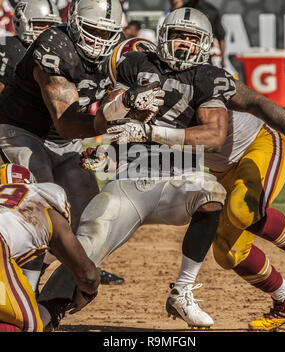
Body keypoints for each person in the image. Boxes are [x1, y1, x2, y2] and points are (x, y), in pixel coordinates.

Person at [37, 10, 234, 330]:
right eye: (177, 36)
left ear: (205, 44)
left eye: (191, 38)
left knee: (211, 194)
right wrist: (127, 100)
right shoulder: (137, 63)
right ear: (162, 37)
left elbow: (214, 136)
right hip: (132, 178)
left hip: (180, 178)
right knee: (87, 244)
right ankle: (48, 308)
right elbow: (109, 113)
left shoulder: (209, 76)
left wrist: (153, 134)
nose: (183, 44)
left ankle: (182, 291)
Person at [0, 0, 125, 290]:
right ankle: (26, 286)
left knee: (92, 214)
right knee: (43, 207)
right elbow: (66, 122)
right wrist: (113, 119)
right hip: (21, 130)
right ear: (75, 23)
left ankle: (58, 289)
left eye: (108, 34)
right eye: (93, 30)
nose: (100, 41)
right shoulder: (54, 46)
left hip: (65, 141)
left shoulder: (117, 56)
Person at [0, 163, 100, 332]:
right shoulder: (42, 202)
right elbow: (88, 276)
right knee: (29, 325)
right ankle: (51, 308)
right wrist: (88, 292)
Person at [0, 0, 62, 94]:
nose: (47, 33)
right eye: (40, 25)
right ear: (20, 23)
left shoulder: (61, 53)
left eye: (52, 26)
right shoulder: (10, 49)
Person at [185, 0, 226, 68]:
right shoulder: (185, 8)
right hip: (186, 49)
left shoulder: (212, 11)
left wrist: (223, 59)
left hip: (205, 54)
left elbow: (221, 37)